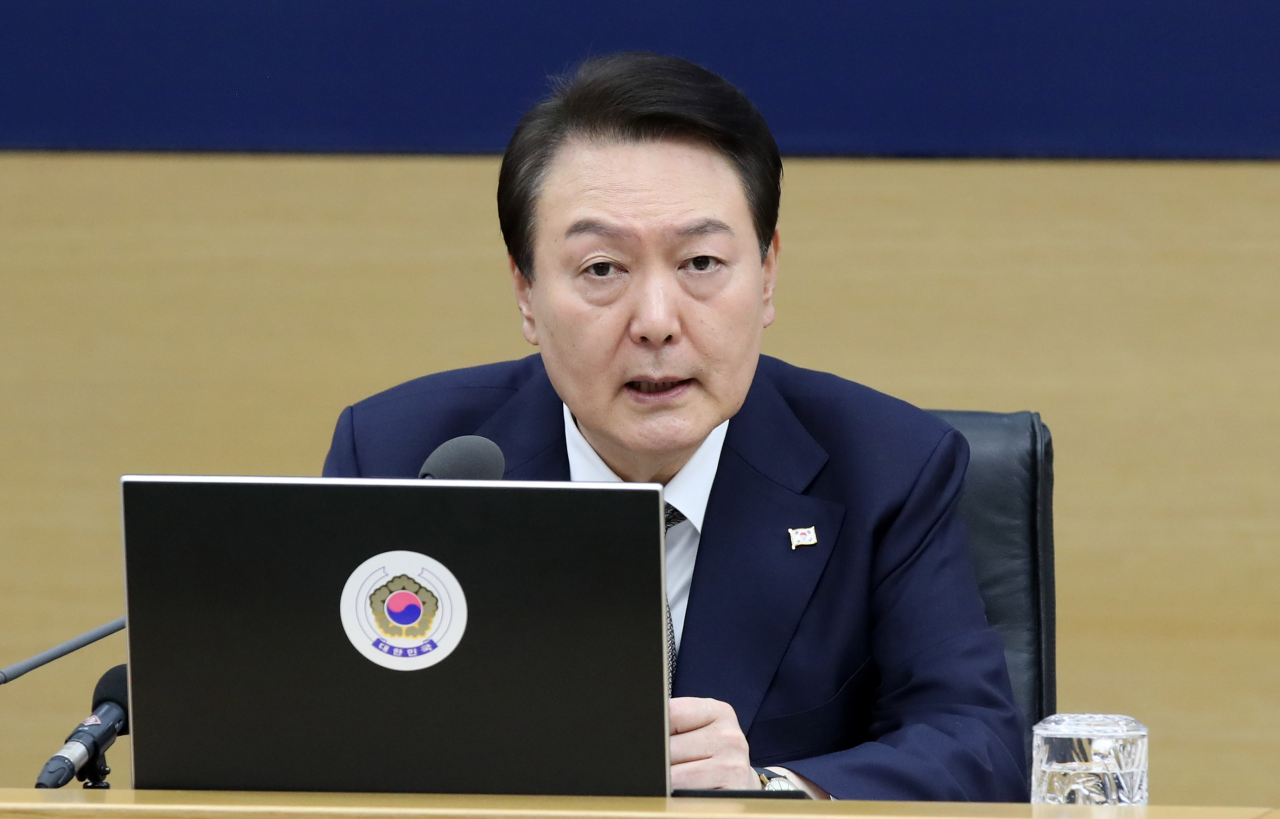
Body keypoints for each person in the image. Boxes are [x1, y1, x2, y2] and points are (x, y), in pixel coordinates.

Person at [323, 52, 1027, 801]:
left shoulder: (889, 468)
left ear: (766, 276)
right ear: (526, 293)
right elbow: (317, 734)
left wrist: (773, 790)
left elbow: (977, 745)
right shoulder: (404, 457)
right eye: (602, 269)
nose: (656, 322)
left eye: (699, 262)